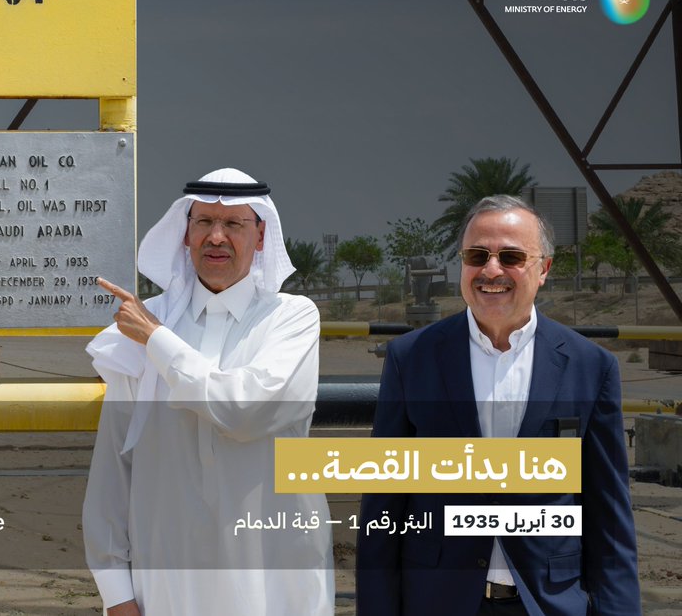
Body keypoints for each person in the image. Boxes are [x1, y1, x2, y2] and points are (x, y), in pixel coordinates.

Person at [356, 195, 640, 616]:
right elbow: (383, 506)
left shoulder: (590, 367)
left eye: (511, 256)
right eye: (476, 255)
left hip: (547, 603)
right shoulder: (411, 359)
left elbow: (608, 514)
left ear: (543, 269)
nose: (491, 270)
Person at [82, 168, 333, 615]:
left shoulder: (291, 319)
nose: (216, 237)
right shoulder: (138, 324)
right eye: (203, 223)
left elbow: (246, 411)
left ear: (260, 238)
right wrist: (115, 593)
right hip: (166, 580)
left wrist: (158, 341)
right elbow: (112, 469)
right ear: (185, 234)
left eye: (234, 224)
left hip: (274, 574)